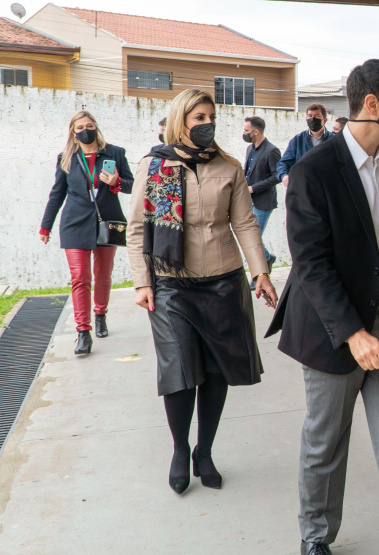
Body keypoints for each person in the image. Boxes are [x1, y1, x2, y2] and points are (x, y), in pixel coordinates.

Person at [265, 59, 379, 555]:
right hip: (336, 329)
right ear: (372, 106)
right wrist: (352, 333)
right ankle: (316, 538)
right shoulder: (313, 171)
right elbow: (311, 264)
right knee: (326, 442)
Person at [126, 88, 278, 495]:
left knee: (215, 372)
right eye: (198, 118)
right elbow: (138, 228)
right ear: (181, 121)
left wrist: (259, 272)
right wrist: (142, 282)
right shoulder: (154, 166)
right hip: (171, 282)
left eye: (211, 116)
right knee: (179, 371)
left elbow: (245, 224)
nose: (207, 123)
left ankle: (204, 450)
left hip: (224, 282)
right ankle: (179, 450)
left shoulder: (229, 167)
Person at [39, 110, 134, 355]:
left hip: (106, 221)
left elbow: (133, 185)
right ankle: (83, 332)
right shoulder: (66, 158)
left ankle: (100, 313)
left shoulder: (115, 153)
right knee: (80, 277)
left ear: (96, 127)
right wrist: (45, 226)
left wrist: (117, 182)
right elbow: (57, 193)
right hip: (74, 222)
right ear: (73, 131)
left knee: (103, 275)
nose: (85, 130)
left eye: (89, 125)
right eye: (79, 127)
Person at [243, 115, 282, 289]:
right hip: (247, 200)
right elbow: (247, 173)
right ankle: (267, 258)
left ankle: (257, 275)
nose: (244, 133)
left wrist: (254, 188)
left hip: (263, 201)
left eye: (246, 131)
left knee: (254, 239)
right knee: (250, 237)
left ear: (256, 131)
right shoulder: (250, 149)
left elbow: (277, 176)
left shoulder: (271, 150)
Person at [276, 103, 334, 187]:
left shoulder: (334, 141)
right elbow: (283, 163)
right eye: (310, 116)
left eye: (317, 116)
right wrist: (284, 176)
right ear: (306, 119)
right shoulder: (297, 140)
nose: (313, 119)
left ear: (324, 120)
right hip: (303, 189)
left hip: (327, 189)